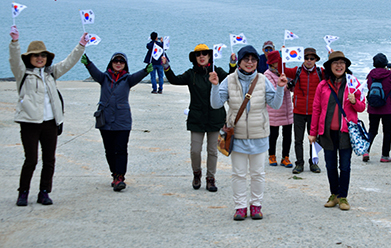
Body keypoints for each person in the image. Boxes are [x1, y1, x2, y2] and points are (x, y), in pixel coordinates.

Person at [9, 26, 87, 206]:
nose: (39, 58)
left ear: (46, 58)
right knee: (31, 160)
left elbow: (69, 62)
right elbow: (14, 61)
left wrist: (81, 45)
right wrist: (15, 43)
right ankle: (23, 193)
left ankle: (44, 192)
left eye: (42, 56)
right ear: (29, 58)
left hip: (50, 123)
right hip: (29, 123)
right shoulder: (23, 74)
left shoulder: (51, 73)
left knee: (49, 160)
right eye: (36, 55)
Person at [210, 45, 287, 221]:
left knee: (258, 173)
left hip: (259, 135)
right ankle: (240, 207)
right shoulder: (229, 80)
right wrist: (214, 86)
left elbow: (274, 104)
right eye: (246, 59)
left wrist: (280, 88)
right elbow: (216, 104)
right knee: (238, 173)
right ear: (239, 61)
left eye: (253, 60)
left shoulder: (262, 80)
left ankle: (256, 206)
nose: (250, 63)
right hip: (236, 136)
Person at [162, 44, 236, 192]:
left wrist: (233, 64)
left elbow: (231, 79)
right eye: (198, 54)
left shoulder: (216, 71)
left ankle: (211, 178)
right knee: (195, 150)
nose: (201, 56)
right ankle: (197, 174)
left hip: (215, 116)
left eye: (204, 54)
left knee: (212, 151)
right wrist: (166, 67)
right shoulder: (191, 74)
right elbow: (175, 80)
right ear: (195, 58)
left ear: (209, 56)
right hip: (196, 117)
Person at [81, 52, 151, 191]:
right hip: (105, 121)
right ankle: (114, 173)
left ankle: (120, 177)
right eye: (116, 61)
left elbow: (139, 75)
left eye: (121, 61)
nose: (118, 63)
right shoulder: (104, 78)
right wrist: (87, 63)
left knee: (121, 149)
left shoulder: (128, 79)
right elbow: (94, 72)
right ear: (111, 63)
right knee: (109, 150)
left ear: (125, 64)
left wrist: (146, 70)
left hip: (122, 121)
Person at [308, 51, 365, 211]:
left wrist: (354, 101)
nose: (339, 65)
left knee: (345, 166)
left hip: (346, 132)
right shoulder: (323, 85)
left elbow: (362, 107)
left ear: (346, 66)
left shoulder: (353, 84)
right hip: (326, 132)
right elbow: (316, 108)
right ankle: (334, 194)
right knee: (331, 165)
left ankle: (343, 196)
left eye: (342, 62)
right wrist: (313, 132)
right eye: (335, 63)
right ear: (330, 66)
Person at [283, 47, 323, 174]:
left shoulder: (321, 71)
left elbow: (336, 73)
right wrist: (282, 55)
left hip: (314, 112)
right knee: (298, 140)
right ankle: (299, 164)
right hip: (298, 112)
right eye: (306, 58)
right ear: (303, 59)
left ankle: (314, 163)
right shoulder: (297, 71)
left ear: (316, 59)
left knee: (313, 139)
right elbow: (281, 70)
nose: (309, 60)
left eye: (312, 58)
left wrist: (332, 56)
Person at [364, 53, 391, 163]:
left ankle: (366, 151)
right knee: (387, 131)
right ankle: (385, 155)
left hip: (373, 107)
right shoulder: (389, 74)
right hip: (387, 108)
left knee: (372, 130)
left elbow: (368, 86)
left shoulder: (371, 74)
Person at [264, 50, 294, 168]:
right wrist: (288, 85)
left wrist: (294, 84)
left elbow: (291, 90)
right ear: (272, 63)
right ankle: (271, 155)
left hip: (287, 109)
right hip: (274, 110)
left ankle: (285, 157)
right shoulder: (267, 74)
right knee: (273, 135)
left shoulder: (284, 73)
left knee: (287, 135)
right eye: (278, 61)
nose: (280, 63)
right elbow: (274, 90)